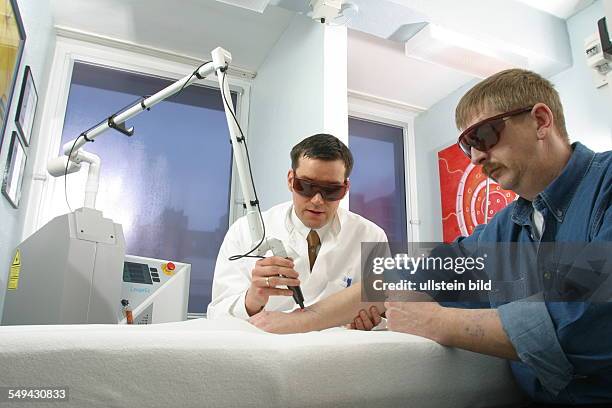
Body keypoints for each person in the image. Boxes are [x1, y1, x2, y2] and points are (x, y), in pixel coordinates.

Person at [249, 69, 612, 405]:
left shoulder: (605, 186)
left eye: (483, 136)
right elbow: (411, 274)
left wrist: (439, 321)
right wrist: (302, 319)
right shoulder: (509, 227)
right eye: (467, 146)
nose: (475, 157)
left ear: (540, 120)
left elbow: (590, 323)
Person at [207, 133, 388, 319]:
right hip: (267, 343)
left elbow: (384, 310)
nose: (317, 200)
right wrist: (252, 300)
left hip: (337, 345)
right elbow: (217, 314)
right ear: (290, 180)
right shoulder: (244, 231)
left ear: (346, 188)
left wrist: (371, 321)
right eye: (307, 186)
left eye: (331, 190)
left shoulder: (371, 236)